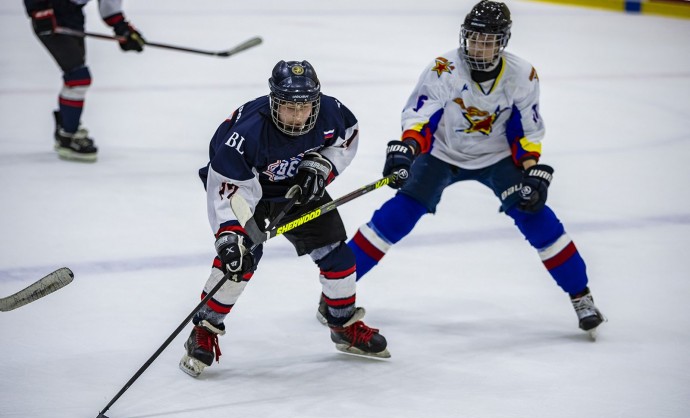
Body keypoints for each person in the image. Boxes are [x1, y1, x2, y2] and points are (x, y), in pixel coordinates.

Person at [341, 1, 606, 338]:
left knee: (538, 217)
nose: (479, 47)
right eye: (474, 38)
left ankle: (581, 296)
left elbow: (526, 131)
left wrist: (532, 170)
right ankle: (337, 293)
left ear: (502, 42)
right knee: (396, 217)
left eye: (488, 40)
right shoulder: (443, 68)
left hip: (496, 159)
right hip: (441, 154)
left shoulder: (522, 75)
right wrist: (407, 149)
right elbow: (421, 118)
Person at [179, 60, 390, 378]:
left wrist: (322, 167)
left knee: (339, 256)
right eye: (288, 107)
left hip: (298, 189)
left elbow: (347, 136)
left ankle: (343, 324)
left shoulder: (331, 112)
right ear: (274, 102)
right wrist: (231, 235)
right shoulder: (246, 133)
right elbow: (228, 190)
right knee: (237, 263)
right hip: (249, 191)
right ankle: (205, 328)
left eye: (304, 107)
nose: (297, 115)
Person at [24, 0, 145, 162]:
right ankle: (68, 135)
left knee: (75, 78)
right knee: (78, 78)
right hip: (50, 10)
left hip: (74, 16)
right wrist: (38, 8)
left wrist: (122, 28)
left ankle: (66, 126)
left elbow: (110, 5)